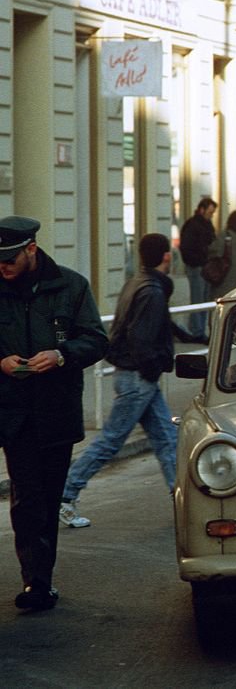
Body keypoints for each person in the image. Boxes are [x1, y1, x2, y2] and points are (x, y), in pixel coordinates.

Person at [0, 216, 108, 611]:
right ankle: (36, 583)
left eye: (10, 258)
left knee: (47, 496)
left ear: (31, 249)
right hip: (15, 414)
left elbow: (97, 340)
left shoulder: (70, 286)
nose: (3, 267)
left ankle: (43, 576)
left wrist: (61, 356)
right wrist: (2, 362)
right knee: (27, 498)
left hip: (56, 412)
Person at [59, 233, 198, 529]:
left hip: (137, 377)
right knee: (112, 440)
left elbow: (152, 327)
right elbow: (142, 336)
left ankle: (186, 504)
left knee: (166, 439)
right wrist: (152, 368)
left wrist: (192, 338)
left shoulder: (138, 283)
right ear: (166, 256)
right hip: (138, 378)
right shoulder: (152, 291)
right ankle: (65, 496)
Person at [178, 197, 218, 339]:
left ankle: (199, 330)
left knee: (204, 299)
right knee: (198, 300)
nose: (211, 215)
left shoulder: (205, 224)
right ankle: (197, 331)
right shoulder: (193, 225)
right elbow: (186, 248)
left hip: (205, 266)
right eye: (209, 212)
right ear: (202, 210)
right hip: (197, 267)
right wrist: (197, 261)